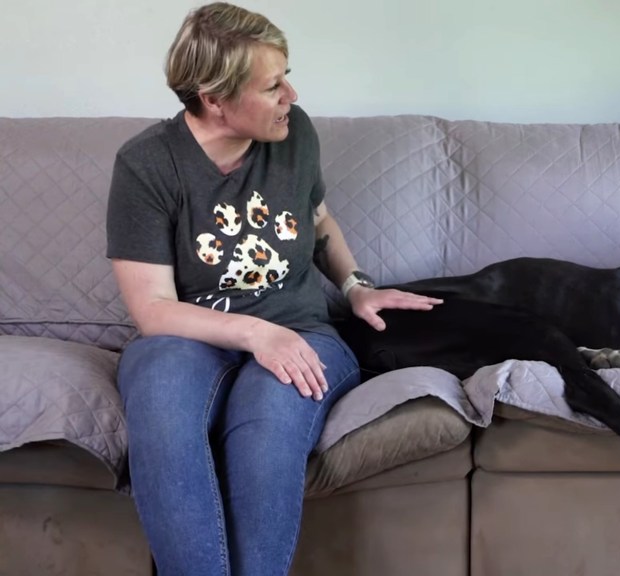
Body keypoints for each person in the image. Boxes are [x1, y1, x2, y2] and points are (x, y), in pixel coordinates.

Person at [105, 3, 441, 574]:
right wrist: (256, 333)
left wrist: (357, 287)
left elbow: (320, 223)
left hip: (303, 329)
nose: (291, 93)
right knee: (160, 406)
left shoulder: (294, 134)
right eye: (272, 85)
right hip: (188, 337)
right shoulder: (147, 164)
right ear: (214, 99)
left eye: (286, 75)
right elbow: (153, 309)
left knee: (267, 425)